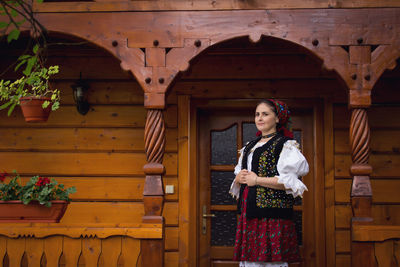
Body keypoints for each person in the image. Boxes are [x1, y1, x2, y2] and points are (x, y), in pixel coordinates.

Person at [229, 99, 309, 267]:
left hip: (271, 214)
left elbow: (290, 183)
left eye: (265, 114)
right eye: (257, 114)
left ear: (278, 118)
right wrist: (239, 178)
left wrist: (257, 180)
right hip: (249, 213)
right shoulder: (249, 146)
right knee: (250, 262)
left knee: (271, 263)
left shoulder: (285, 145)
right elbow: (240, 177)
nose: (259, 118)